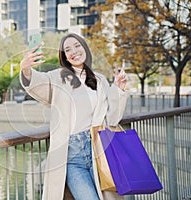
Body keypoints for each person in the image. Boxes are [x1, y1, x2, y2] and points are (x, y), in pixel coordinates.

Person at [20, 33, 129, 200]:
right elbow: (37, 83)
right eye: (68, 49)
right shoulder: (57, 77)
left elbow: (112, 119)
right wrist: (26, 69)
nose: (74, 51)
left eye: (77, 46)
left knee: (108, 197)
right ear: (64, 56)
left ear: (84, 47)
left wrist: (119, 90)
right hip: (71, 156)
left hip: (97, 150)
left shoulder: (98, 80)